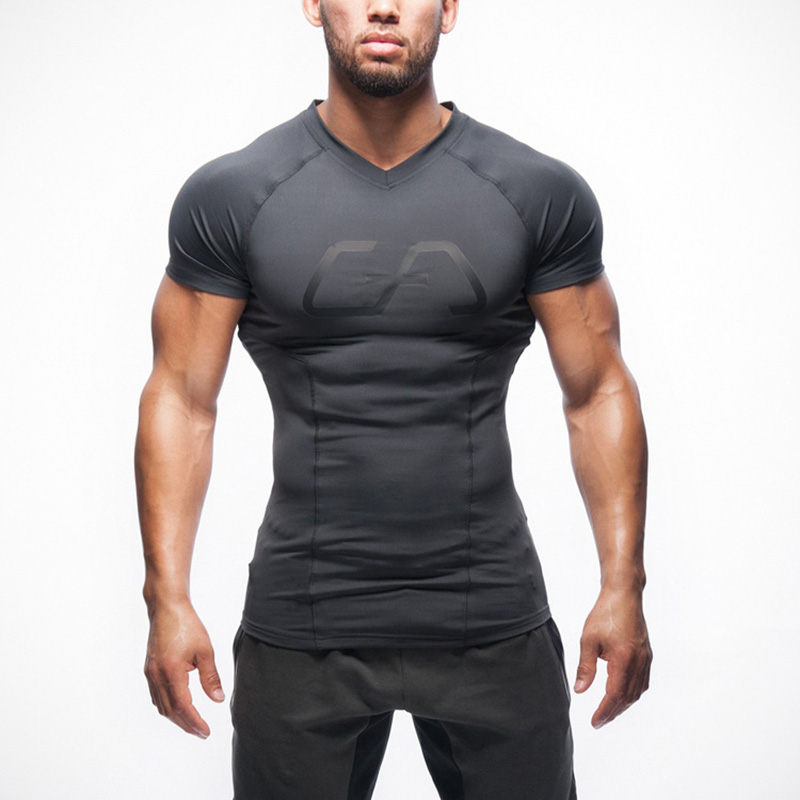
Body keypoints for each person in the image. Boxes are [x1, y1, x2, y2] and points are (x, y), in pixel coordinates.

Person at [135, 1, 652, 798]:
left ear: (448, 9)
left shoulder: (534, 191)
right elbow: (181, 399)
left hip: (491, 618)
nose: (383, 5)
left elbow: (596, 391)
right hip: (303, 624)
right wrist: (166, 598)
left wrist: (624, 585)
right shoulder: (235, 195)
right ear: (314, 4)